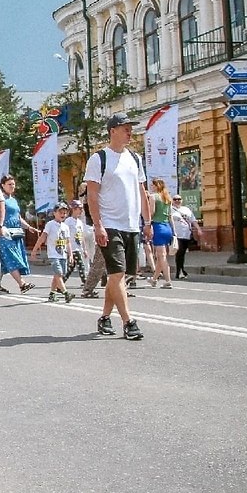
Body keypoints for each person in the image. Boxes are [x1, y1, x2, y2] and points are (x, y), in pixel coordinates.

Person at [85, 113, 150, 340]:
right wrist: (98, 225)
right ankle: (129, 322)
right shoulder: (99, 158)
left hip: (132, 225)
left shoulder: (135, 158)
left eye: (130, 128)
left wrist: (148, 221)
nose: (129, 131)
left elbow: (142, 192)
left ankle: (104, 318)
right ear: (112, 130)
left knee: (119, 276)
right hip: (109, 224)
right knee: (118, 273)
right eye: (125, 128)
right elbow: (92, 196)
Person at [0, 174, 36, 293]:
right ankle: (22, 284)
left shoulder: (13, 200)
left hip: (16, 233)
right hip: (5, 233)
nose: (12, 186)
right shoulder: (0, 199)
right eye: (9, 184)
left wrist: (28, 227)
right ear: (3, 185)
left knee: (3, 261)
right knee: (11, 258)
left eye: (13, 184)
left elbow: (18, 217)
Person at [31, 204, 75, 303]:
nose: (63, 214)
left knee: (58, 275)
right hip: (53, 254)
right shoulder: (50, 224)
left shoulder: (65, 227)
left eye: (65, 212)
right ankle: (66, 293)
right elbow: (43, 237)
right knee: (59, 274)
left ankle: (52, 294)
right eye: (60, 212)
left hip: (63, 254)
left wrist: (70, 255)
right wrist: (35, 250)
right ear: (54, 213)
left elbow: (68, 242)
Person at [147, 178, 174, 289]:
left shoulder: (153, 197)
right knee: (160, 255)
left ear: (156, 186)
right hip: (167, 227)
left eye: (152, 185)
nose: (151, 187)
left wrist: (147, 223)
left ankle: (168, 280)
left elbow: (152, 212)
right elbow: (170, 216)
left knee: (161, 256)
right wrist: (174, 231)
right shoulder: (167, 198)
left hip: (158, 227)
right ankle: (154, 279)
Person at [170, 194, 202, 280]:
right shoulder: (170, 210)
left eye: (179, 199)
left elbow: (193, 220)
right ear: (172, 201)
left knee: (182, 253)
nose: (177, 201)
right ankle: (179, 271)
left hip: (186, 234)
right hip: (176, 235)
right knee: (179, 252)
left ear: (182, 200)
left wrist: (198, 229)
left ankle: (181, 270)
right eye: (175, 199)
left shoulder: (186, 209)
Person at [64, 199, 89, 285]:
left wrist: (85, 249)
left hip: (78, 247)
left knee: (70, 268)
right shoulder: (68, 221)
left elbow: (81, 236)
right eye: (80, 209)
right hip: (72, 247)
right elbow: (64, 234)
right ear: (74, 209)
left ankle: (61, 284)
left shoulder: (80, 222)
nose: (81, 211)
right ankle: (86, 284)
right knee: (81, 265)